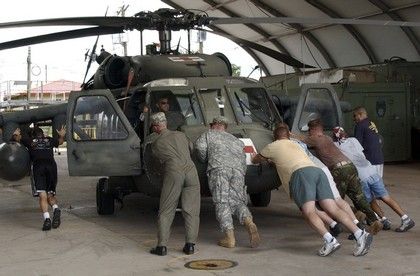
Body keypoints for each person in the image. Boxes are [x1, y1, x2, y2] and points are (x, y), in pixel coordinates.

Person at [252, 125, 373, 257]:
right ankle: (360, 234)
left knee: (308, 212)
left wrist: (262, 158)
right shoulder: (296, 145)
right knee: (333, 208)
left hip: (301, 174)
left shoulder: (273, 146)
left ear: (275, 137)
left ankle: (330, 240)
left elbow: (256, 159)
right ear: (287, 136)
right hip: (317, 171)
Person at [293, 119, 383, 234]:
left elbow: (298, 138)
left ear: (315, 130)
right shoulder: (328, 138)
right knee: (359, 197)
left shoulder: (315, 139)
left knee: (333, 201)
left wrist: (288, 134)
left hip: (339, 170)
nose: (309, 133)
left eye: (310, 131)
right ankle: (375, 221)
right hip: (350, 167)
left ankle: (342, 227)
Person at [333, 127, 415, 232]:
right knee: (385, 197)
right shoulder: (354, 140)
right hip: (372, 171)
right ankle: (404, 218)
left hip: (361, 177)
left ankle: (372, 224)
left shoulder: (335, 146)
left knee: (366, 202)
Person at [195, 116, 260, 248]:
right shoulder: (236, 140)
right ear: (225, 127)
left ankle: (229, 238)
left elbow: (200, 148)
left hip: (219, 169)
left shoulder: (208, 135)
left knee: (222, 201)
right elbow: (243, 158)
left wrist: (204, 159)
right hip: (238, 171)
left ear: (212, 125)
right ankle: (249, 222)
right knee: (237, 201)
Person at [149, 112, 200, 256]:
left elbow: (158, 160)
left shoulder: (156, 142)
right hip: (191, 170)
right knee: (192, 210)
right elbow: (191, 149)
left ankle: (162, 247)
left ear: (156, 127)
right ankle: (190, 245)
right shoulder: (181, 135)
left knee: (166, 209)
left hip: (174, 171)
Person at [292, 139, 362, 237]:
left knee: (321, 205)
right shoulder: (300, 142)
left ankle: (337, 226)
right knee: (337, 200)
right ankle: (356, 223)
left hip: (311, 170)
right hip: (322, 168)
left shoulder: (288, 145)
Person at [12, 126, 65, 231]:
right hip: (51, 167)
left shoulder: (29, 141)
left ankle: (47, 220)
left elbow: (16, 139)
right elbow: (60, 142)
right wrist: (62, 135)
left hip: (39, 167)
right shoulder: (49, 139)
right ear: (43, 134)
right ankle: (55, 209)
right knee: (50, 194)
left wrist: (15, 134)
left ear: (33, 135)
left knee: (42, 195)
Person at [353, 107, 390, 229]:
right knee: (377, 188)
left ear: (360, 114)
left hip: (370, 161)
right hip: (379, 159)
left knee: (369, 191)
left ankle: (375, 216)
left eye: (355, 116)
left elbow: (356, 145)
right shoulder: (371, 123)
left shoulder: (360, 125)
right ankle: (378, 215)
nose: (354, 119)